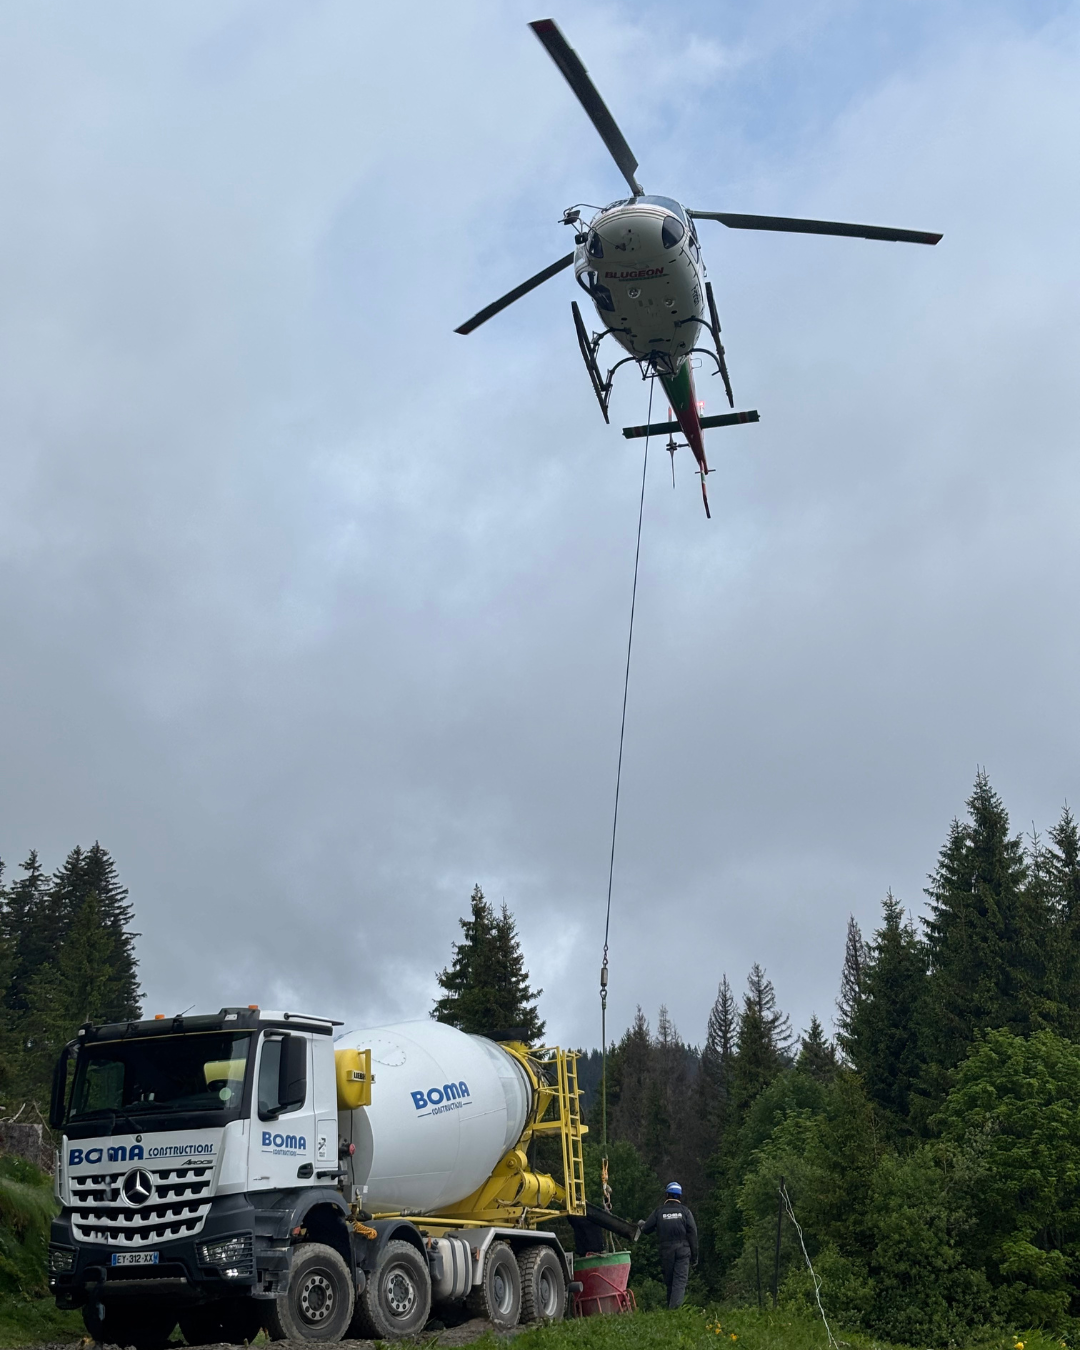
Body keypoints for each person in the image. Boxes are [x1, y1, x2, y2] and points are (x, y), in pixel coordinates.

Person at [639, 1182, 698, 1309]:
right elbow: (692, 1234)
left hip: (666, 1251)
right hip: (683, 1250)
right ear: (680, 1197)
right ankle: (674, 1311)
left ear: (666, 1195)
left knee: (670, 1282)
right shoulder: (685, 1212)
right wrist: (695, 1257)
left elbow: (646, 1229)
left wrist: (641, 1224)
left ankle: (671, 1311)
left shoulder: (659, 1212)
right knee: (679, 1282)